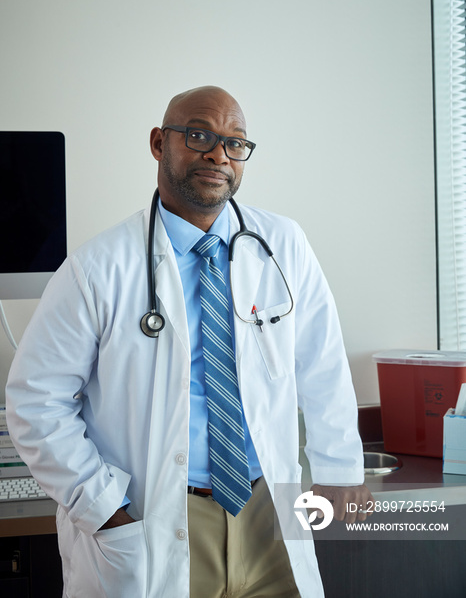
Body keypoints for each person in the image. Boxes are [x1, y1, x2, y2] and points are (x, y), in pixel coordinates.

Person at [6, 85, 373, 598]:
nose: (218, 154)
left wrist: (341, 469)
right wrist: (103, 510)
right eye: (198, 135)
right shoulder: (97, 269)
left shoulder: (283, 245)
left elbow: (323, 367)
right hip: (161, 515)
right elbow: (34, 403)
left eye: (235, 142)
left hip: (270, 507)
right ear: (159, 143)